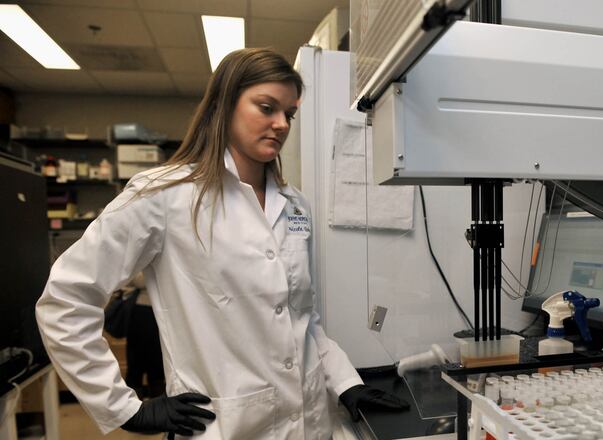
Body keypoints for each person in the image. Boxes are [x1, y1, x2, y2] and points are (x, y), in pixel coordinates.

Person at [36, 48, 408, 439]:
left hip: (310, 422)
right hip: (224, 425)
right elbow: (65, 300)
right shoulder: (164, 195)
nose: (281, 124)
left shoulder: (295, 205)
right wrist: (125, 409)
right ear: (224, 106)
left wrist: (345, 383)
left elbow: (301, 317)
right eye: (266, 108)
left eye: (289, 114)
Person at [124, 272, 166, 399]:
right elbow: (137, 280)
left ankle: (159, 403)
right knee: (136, 362)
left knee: (157, 362)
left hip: (161, 311)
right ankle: (133, 405)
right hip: (141, 311)